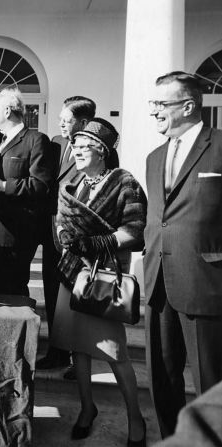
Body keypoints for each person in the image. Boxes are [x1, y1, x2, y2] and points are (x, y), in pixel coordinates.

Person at [50, 118, 147, 444]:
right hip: (73, 276)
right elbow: (64, 223)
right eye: (74, 147)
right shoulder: (75, 185)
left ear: (102, 151)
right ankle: (87, 408)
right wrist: (65, 234)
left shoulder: (125, 184)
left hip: (103, 280)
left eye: (83, 147)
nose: (75, 152)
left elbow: (134, 233)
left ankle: (135, 417)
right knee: (79, 349)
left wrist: (95, 243)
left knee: (114, 352)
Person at [144, 71, 222, 438]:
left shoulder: (220, 145)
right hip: (159, 282)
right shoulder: (154, 156)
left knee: (212, 385)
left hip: (206, 284)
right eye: (152, 103)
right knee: (162, 380)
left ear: (188, 106)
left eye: (162, 103)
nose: (154, 111)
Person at [36, 96, 96, 374]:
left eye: (67, 119)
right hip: (52, 232)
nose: (60, 123)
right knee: (52, 291)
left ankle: (79, 357)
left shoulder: (98, 149)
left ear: (84, 123)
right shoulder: (56, 144)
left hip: (79, 236)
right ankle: (57, 351)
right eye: (60, 118)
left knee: (78, 296)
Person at [0, 87, 55, 296]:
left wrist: (3, 186)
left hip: (17, 234)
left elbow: (40, 185)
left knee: (13, 291)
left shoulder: (36, 140)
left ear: (7, 111)